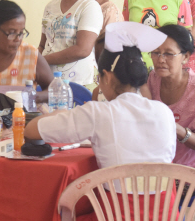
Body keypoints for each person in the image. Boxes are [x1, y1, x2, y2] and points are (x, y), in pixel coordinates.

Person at [25, 21, 176, 220]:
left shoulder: (98, 113)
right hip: (165, 214)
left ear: (107, 76)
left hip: (118, 215)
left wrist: (57, 113)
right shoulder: (164, 112)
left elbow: (31, 130)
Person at [146, 24, 195, 179]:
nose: (160, 60)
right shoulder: (152, 80)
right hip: (163, 166)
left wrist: (175, 128)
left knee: (150, 198)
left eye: (168, 54)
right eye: (156, 53)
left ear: (185, 57)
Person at [39, 0, 103, 86]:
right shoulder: (50, 6)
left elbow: (83, 49)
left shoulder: (89, 6)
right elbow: (43, 45)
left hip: (79, 82)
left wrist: (41, 61)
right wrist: (34, 65)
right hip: (49, 81)